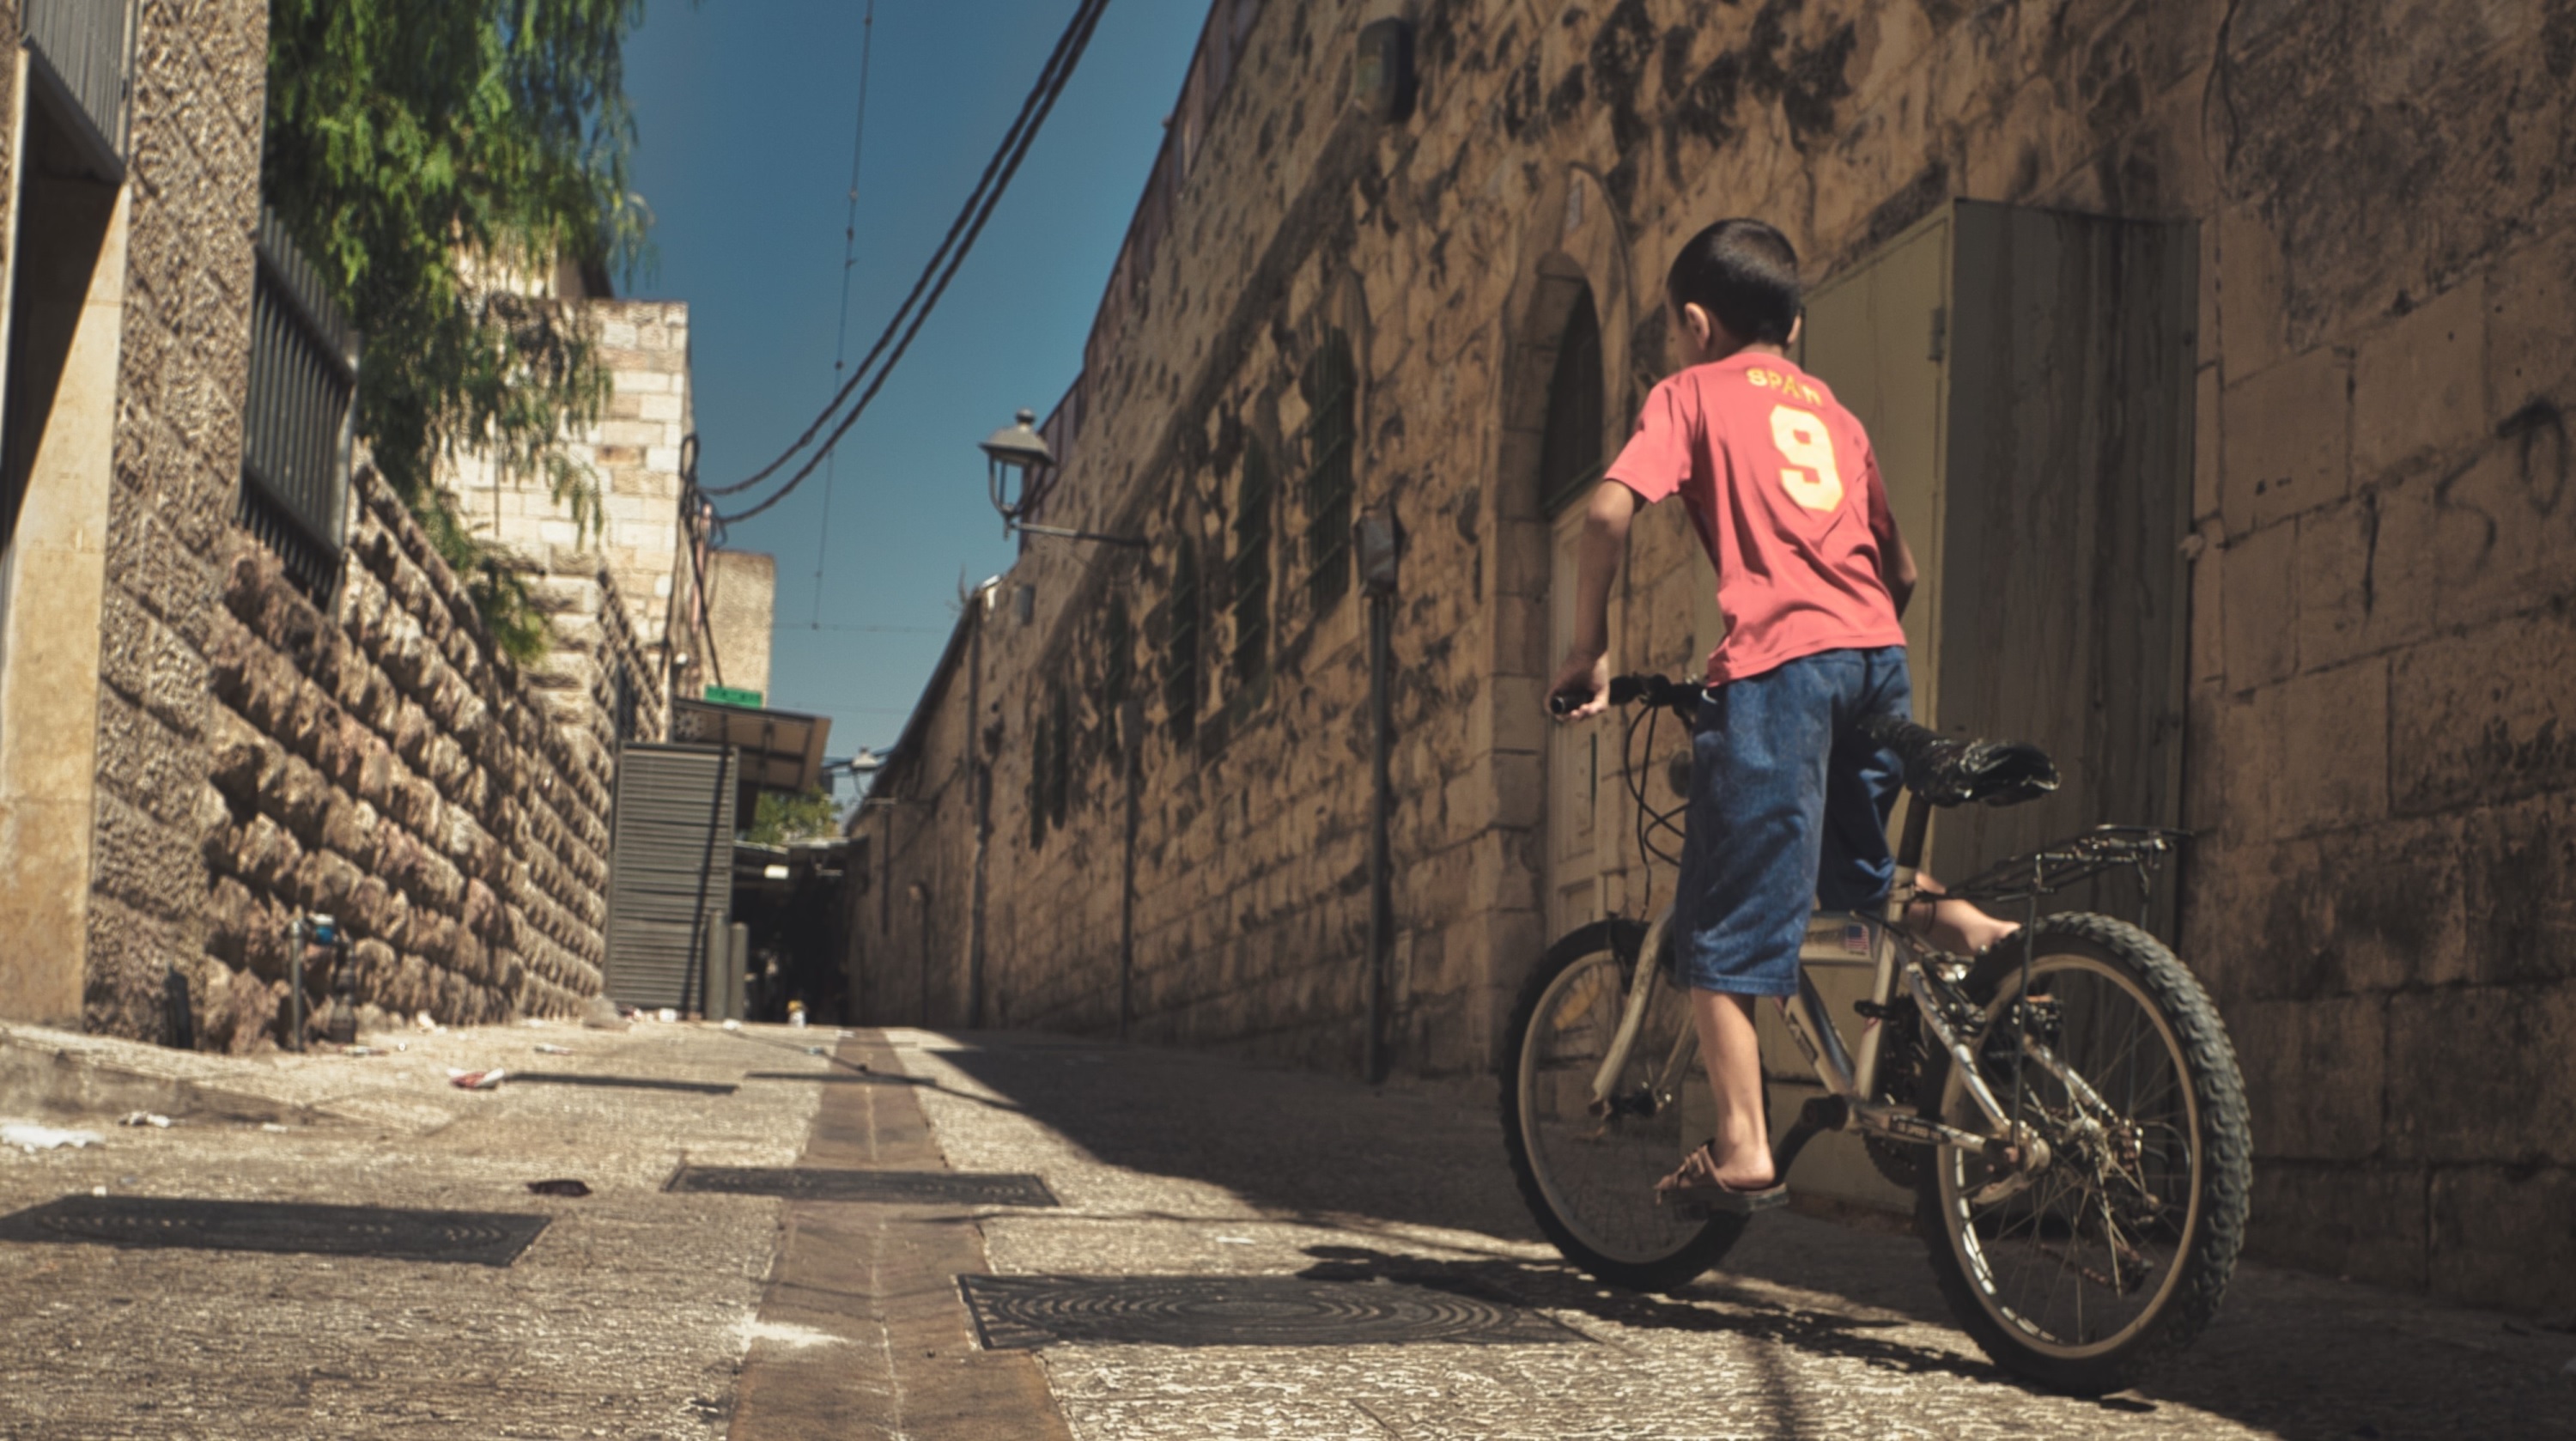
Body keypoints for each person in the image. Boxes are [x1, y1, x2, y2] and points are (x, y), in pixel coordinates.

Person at [1545, 218, 2016, 1209]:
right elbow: (1903, 570)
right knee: (1861, 877)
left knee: (1718, 920)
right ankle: (1987, 936)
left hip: (1777, 671)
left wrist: (1588, 651)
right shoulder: (1835, 414)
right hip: (1874, 657)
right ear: (1794, 328)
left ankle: (1744, 1142)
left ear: (1697, 323)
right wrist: (1853, 652)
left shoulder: (1690, 392)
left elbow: (1604, 511)